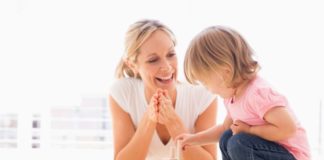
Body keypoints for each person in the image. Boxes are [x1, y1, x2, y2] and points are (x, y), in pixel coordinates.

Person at [177, 26, 310, 160]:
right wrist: (193, 139)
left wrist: (250, 130)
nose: (207, 89)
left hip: (293, 156)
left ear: (225, 73)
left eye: (205, 82)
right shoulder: (232, 97)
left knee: (239, 142)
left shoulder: (257, 93)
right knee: (227, 137)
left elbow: (288, 128)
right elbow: (224, 128)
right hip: (267, 152)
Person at [109, 19, 217, 160]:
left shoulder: (202, 95)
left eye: (171, 54)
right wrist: (149, 119)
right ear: (132, 65)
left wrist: (174, 123)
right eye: (153, 60)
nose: (166, 66)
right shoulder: (123, 93)